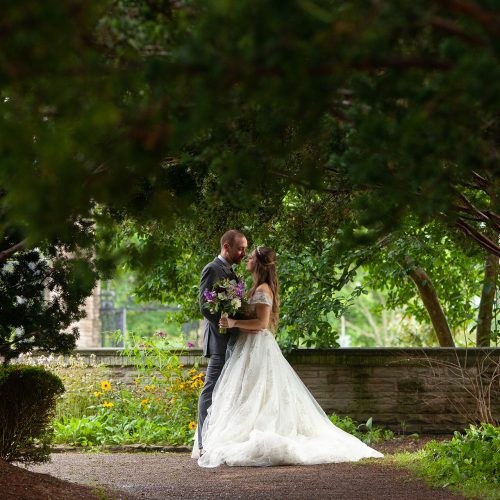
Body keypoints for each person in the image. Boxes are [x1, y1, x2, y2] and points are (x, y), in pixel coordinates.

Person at [192, 246, 383, 467]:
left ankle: (254, 433)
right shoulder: (255, 287)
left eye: (251, 256)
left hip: (257, 346)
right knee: (246, 393)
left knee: (259, 393)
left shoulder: (263, 289)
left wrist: (233, 322)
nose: (246, 259)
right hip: (246, 346)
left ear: (260, 264)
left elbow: (262, 324)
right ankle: (233, 433)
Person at [195, 229, 248, 456]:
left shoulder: (230, 271)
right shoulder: (212, 269)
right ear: (226, 246)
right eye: (240, 249)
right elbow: (205, 306)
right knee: (210, 391)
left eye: (245, 249)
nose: (243, 253)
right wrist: (227, 322)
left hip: (231, 341)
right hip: (219, 341)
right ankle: (203, 443)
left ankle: (218, 440)